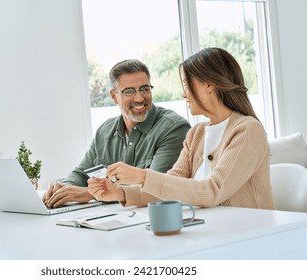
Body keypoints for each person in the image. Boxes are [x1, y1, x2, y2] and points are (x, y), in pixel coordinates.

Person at [88, 48, 276, 210]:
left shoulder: (248, 130)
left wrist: (143, 176)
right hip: (210, 233)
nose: (183, 93)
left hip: (249, 235)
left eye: (186, 84)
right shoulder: (196, 134)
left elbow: (213, 191)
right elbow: (169, 188)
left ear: (209, 85)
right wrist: (119, 192)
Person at [42, 59, 191, 208]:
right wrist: (62, 188)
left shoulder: (174, 129)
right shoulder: (104, 131)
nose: (139, 98)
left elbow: (158, 188)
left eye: (145, 89)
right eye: (129, 92)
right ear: (114, 96)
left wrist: (89, 193)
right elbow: (81, 174)